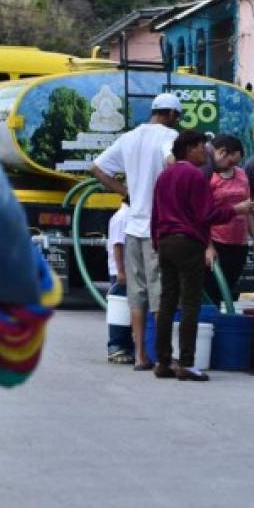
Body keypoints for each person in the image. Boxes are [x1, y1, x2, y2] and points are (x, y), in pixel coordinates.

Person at [151, 130, 254, 381]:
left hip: (165, 241)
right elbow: (206, 215)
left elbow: (155, 212)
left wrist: (157, 242)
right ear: (189, 149)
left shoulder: (164, 176)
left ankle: (163, 361)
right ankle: (186, 362)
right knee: (190, 303)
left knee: (167, 302)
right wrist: (236, 210)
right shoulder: (196, 177)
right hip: (188, 242)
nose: (205, 153)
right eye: (201, 147)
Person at [91, 92, 180, 371]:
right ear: (172, 115)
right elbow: (171, 162)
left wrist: (126, 191)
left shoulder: (129, 137)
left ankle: (141, 354)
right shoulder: (169, 136)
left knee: (136, 294)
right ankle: (162, 355)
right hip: (157, 227)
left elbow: (96, 168)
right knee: (159, 292)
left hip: (133, 226)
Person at [203, 134, 252, 305]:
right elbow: (203, 215)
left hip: (239, 242)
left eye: (236, 163)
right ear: (222, 153)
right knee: (213, 289)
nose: (233, 166)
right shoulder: (209, 176)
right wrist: (208, 247)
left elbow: (248, 207)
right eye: (231, 162)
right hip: (217, 241)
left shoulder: (242, 175)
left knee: (229, 289)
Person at [106, 195, 134, 364]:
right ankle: (116, 346)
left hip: (130, 269)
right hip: (121, 271)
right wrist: (121, 272)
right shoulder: (122, 217)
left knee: (129, 310)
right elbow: (118, 244)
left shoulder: (130, 215)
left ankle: (127, 345)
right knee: (120, 310)